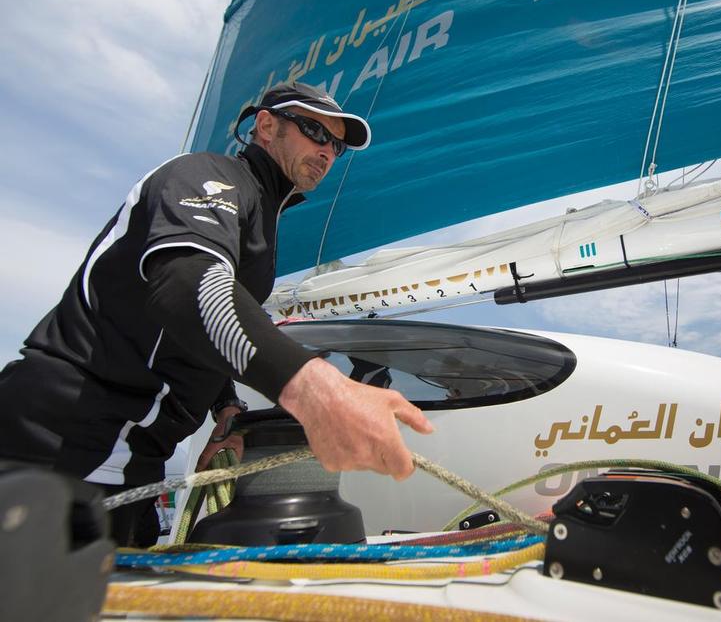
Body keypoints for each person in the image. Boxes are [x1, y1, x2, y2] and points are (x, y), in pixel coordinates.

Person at [0, 82, 433, 546]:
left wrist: (225, 407)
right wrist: (315, 390)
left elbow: (194, 328)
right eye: (314, 130)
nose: (327, 150)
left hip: (131, 463)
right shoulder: (208, 176)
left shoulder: (259, 216)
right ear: (266, 126)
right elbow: (185, 286)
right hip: (56, 445)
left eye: (337, 145)